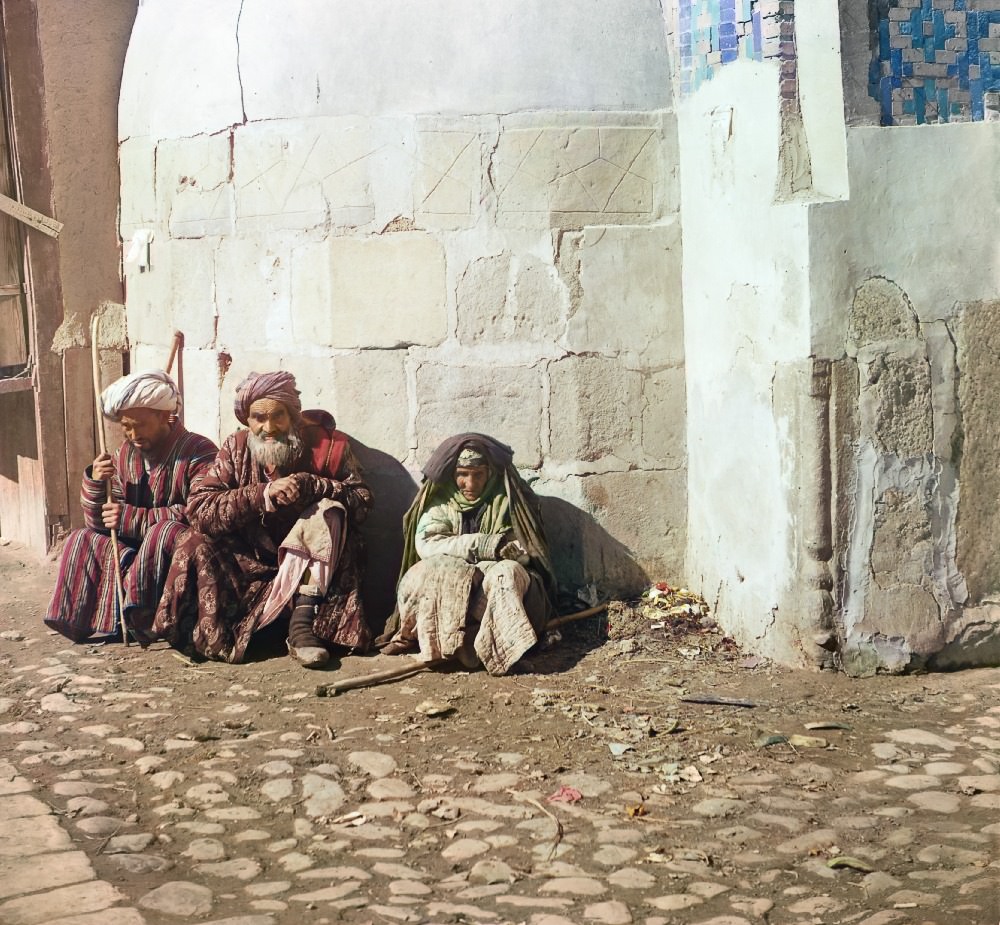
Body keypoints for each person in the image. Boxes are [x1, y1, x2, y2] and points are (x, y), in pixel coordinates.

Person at [152, 371, 371, 667]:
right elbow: (199, 509)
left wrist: (314, 485)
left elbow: (362, 504)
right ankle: (212, 631)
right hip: (249, 564)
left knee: (330, 510)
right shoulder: (236, 447)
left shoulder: (328, 447)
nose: (269, 428)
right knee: (193, 541)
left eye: (278, 416)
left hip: (311, 569)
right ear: (247, 420)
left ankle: (302, 626)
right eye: (258, 418)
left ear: (293, 415)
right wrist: (261, 495)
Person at [44, 370, 218, 643]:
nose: (132, 434)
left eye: (140, 425)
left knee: (165, 531)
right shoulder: (124, 454)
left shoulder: (199, 451)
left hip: (176, 553)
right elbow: (99, 522)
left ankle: (145, 618)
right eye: (126, 426)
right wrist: (95, 482)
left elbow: (199, 510)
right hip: (135, 550)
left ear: (163, 416)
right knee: (82, 538)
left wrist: (129, 517)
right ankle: (82, 619)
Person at [378, 433, 557, 675]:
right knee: (440, 569)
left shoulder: (509, 503)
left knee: (507, 573)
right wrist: (483, 545)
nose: (470, 485)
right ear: (453, 474)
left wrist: (511, 553)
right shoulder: (439, 504)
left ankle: (504, 653)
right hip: (450, 586)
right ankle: (442, 647)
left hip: (492, 584)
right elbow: (428, 545)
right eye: (462, 475)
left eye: (478, 475)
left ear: (490, 473)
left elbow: (528, 548)